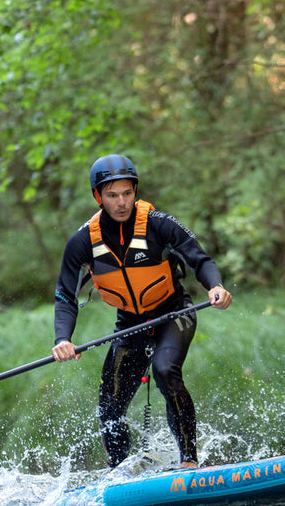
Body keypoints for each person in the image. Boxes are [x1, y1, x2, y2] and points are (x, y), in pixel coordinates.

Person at [52, 154, 232, 469]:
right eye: (112, 195)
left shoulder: (158, 225)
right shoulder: (82, 241)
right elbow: (65, 294)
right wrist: (62, 339)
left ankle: (189, 463)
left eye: (127, 193)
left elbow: (199, 260)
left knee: (165, 370)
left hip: (173, 312)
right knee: (109, 406)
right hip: (130, 323)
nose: (122, 202)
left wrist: (214, 286)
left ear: (135, 191)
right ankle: (120, 474)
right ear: (98, 196)